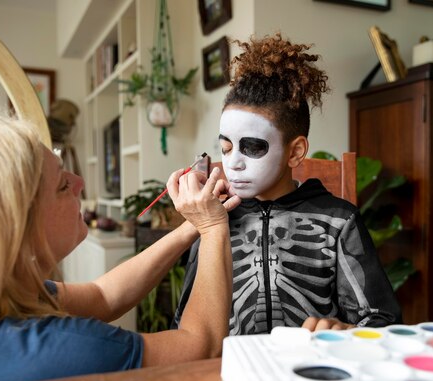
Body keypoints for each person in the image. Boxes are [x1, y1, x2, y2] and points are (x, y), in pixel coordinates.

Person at [0, 115, 240, 381]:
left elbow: (103, 296)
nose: (80, 183)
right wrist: (212, 226)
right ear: (16, 227)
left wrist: (190, 228)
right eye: (61, 184)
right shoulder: (51, 350)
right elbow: (202, 346)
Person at [172, 33, 402, 335]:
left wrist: (344, 331)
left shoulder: (338, 221)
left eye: (252, 147)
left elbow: (383, 321)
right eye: (226, 148)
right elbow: (183, 327)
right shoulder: (214, 222)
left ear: (295, 151)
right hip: (232, 371)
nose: (233, 163)